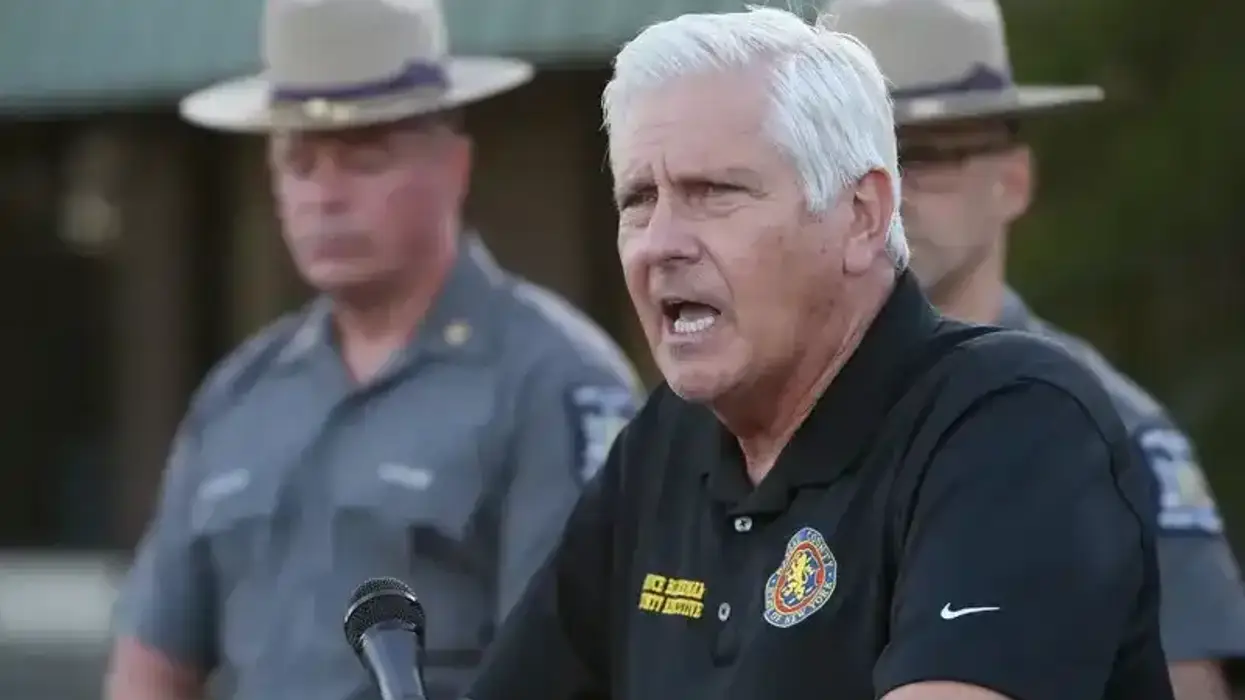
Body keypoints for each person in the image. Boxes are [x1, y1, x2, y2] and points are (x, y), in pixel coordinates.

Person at [467, 7, 1174, 700]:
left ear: (862, 215)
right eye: (637, 199)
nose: (659, 242)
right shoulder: (664, 446)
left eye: (713, 192)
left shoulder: (1014, 422)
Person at [104, 1, 641, 699]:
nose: (325, 195)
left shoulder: (554, 381)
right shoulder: (239, 395)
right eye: (299, 163)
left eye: (363, 158)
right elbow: (152, 662)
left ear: (454, 166)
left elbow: (571, 667)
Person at [829, 0, 1245, 697]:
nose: (886, 193)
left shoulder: (1099, 427)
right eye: (850, 162)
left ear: (1011, 181)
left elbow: (1187, 681)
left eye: (922, 156)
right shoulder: (759, 421)